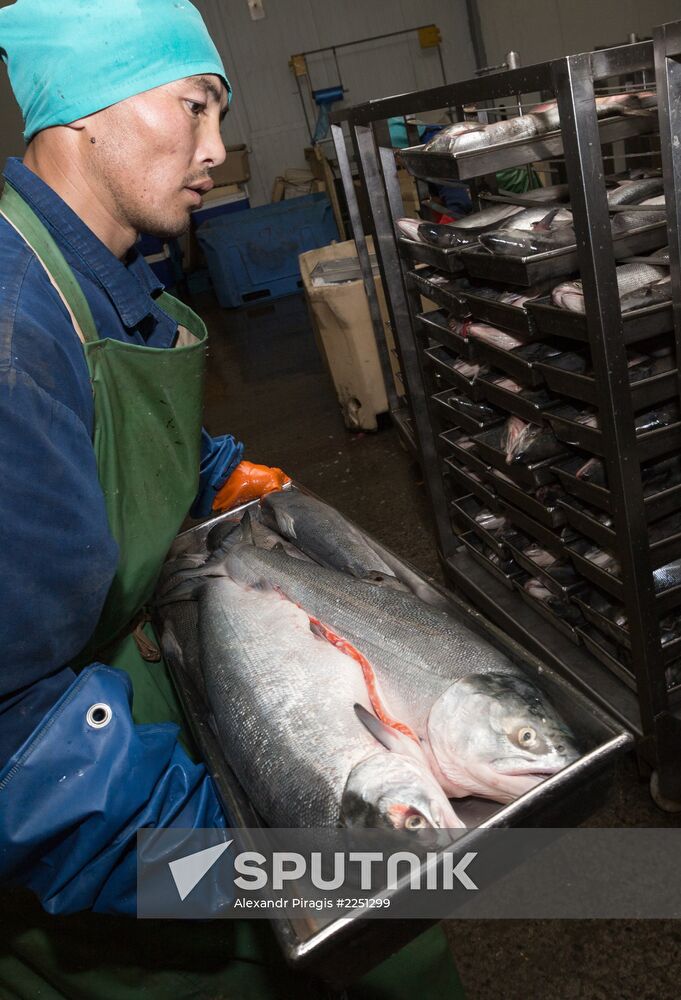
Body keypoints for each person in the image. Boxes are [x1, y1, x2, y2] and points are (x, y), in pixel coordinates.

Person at [0, 2, 465, 998]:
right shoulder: (12, 336)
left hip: (120, 677)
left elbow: (119, 432)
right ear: (86, 112)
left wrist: (216, 473)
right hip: (80, 795)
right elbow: (18, 757)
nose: (218, 147)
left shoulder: (111, 272)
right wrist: (245, 860)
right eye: (195, 108)